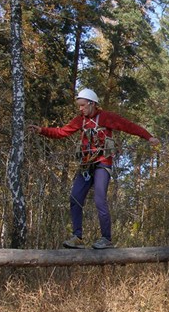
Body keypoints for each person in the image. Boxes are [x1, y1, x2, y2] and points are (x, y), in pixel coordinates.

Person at [29, 88, 160, 249]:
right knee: (75, 197)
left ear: (92, 104)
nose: (80, 109)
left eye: (83, 105)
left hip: (102, 163)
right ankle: (77, 237)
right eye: (79, 106)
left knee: (99, 199)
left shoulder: (106, 117)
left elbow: (128, 126)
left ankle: (106, 239)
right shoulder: (80, 120)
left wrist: (149, 137)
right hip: (86, 165)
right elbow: (62, 132)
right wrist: (42, 131)